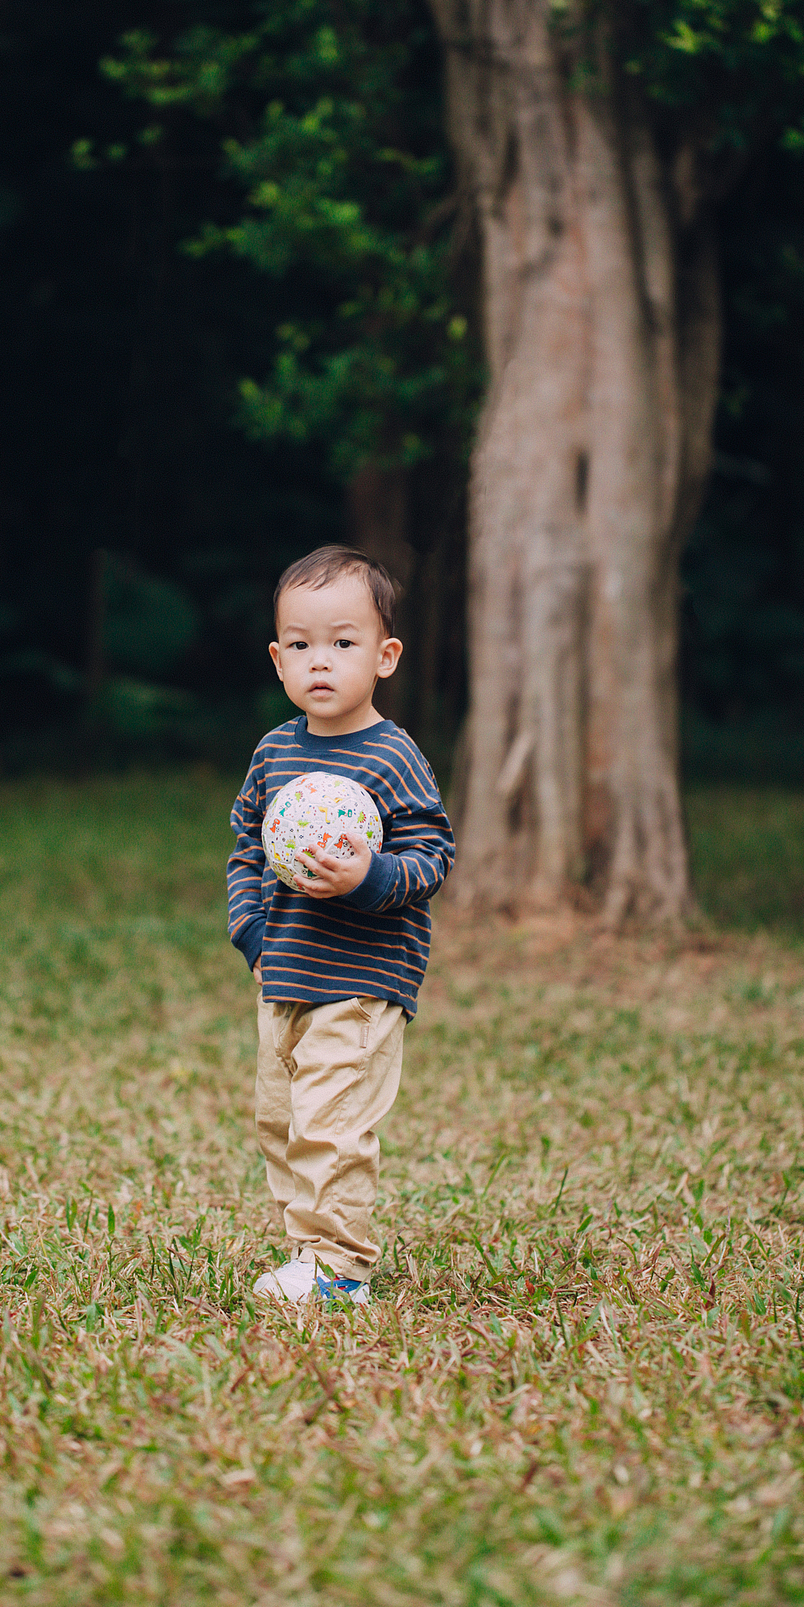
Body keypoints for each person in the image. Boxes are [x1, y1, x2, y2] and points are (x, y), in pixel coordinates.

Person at [226, 544, 455, 1307]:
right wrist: (253, 936)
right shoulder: (274, 752)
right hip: (285, 972)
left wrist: (369, 878)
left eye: (343, 643)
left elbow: (432, 856)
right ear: (278, 660)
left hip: (361, 978)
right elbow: (246, 848)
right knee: (283, 1121)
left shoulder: (392, 757)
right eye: (300, 645)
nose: (319, 661)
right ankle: (307, 1250)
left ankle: (340, 1269)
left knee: (332, 1120)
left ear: (385, 658)